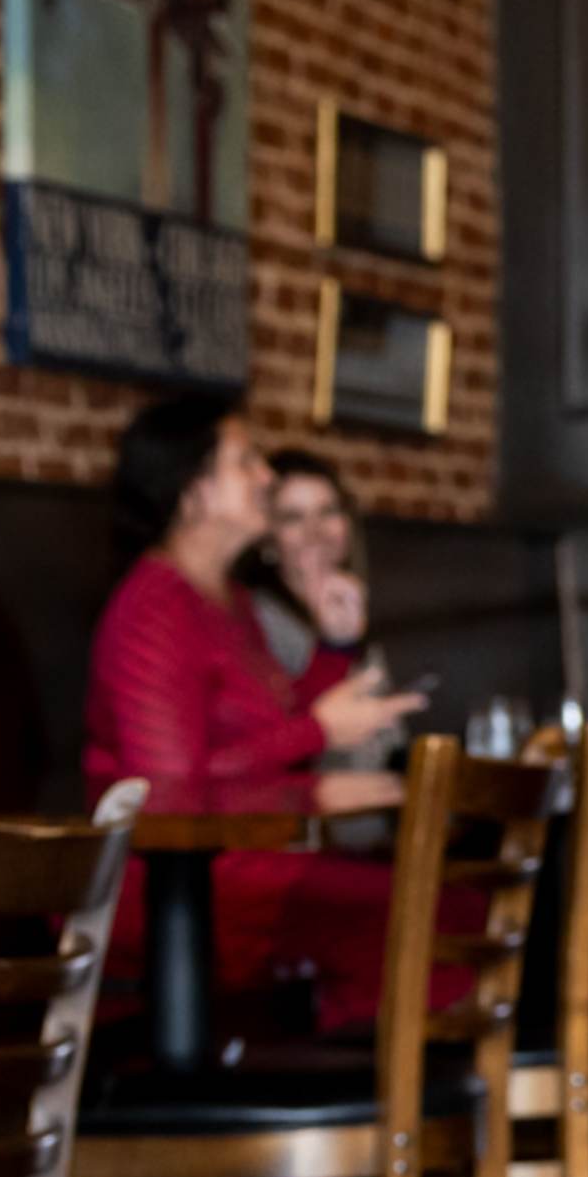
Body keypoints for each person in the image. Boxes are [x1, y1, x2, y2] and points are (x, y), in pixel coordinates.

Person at [83, 394, 427, 1033]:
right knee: (435, 913)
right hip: (174, 898)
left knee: (449, 905)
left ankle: (354, 1085)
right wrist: (317, 779)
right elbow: (169, 795)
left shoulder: (229, 597)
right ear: (195, 494)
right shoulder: (155, 609)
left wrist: (334, 646)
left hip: (250, 871)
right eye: (246, 461)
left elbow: (278, 730)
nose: (266, 476)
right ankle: (340, 1090)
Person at [247, 448, 402, 782]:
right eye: (292, 517)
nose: (315, 530)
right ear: (266, 540)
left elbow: (388, 739)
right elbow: (275, 746)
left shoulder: (350, 607)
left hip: (376, 809)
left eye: (328, 511)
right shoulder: (256, 618)